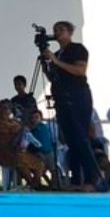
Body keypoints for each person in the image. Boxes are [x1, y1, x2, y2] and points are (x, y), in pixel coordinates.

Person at [41, 21, 100, 191]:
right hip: (61, 97)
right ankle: (76, 179)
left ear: (69, 32)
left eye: (61, 29)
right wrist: (48, 65)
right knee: (71, 140)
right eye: (55, 30)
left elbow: (80, 71)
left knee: (81, 137)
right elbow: (55, 77)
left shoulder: (77, 49)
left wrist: (55, 61)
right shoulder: (59, 53)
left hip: (77, 95)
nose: (57, 32)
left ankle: (91, 179)